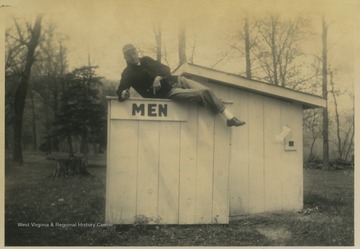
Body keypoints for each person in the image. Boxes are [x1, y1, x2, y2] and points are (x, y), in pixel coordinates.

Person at [117, 43, 246, 127]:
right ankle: (227, 115)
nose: (133, 56)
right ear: (125, 58)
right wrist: (124, 94)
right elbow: (121, 92)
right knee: (202, 93)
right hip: (168, 93)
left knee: (207, 90)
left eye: (134, 52)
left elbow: (166, 68)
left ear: (137, 51)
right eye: (129, 54)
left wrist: (158, 77)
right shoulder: (128, 73)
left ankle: (229, 118)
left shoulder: (146, 60)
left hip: (177, 80)